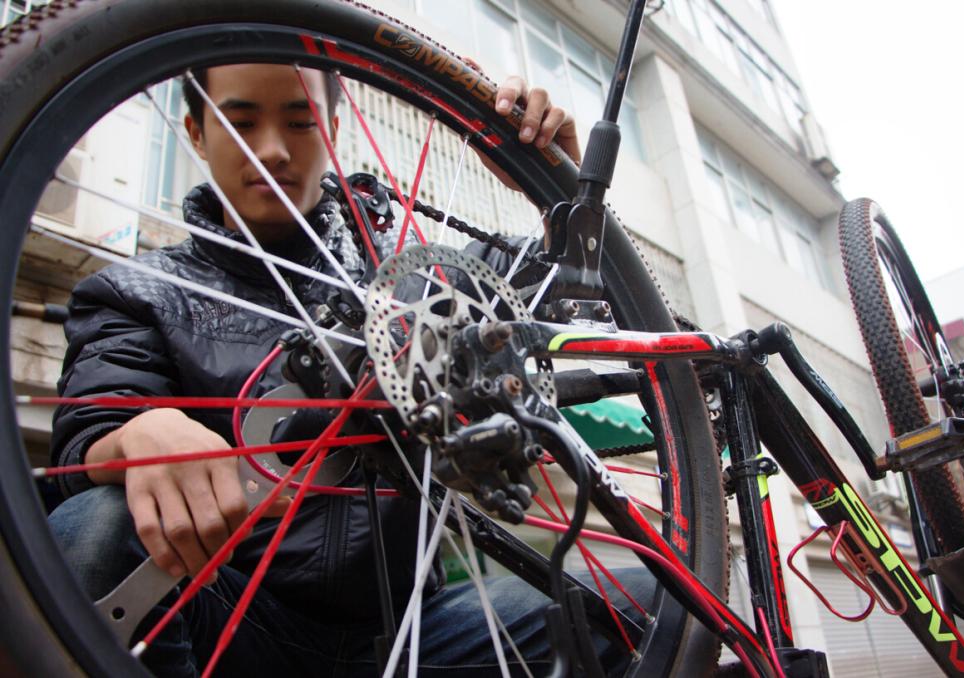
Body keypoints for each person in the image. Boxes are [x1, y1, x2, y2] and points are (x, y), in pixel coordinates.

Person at [47, 62, 646, 677]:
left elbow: (557, 296)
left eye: (300, 121)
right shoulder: (136, 290)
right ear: (196, 133)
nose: (272, 150)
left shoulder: (415, 277)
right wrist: (138, 433)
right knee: (94, 530)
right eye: (241, 122)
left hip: (419, 631)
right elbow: (94, 418)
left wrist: (560, 197)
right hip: (229, 621)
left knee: (656, 606)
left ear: (333, 129)